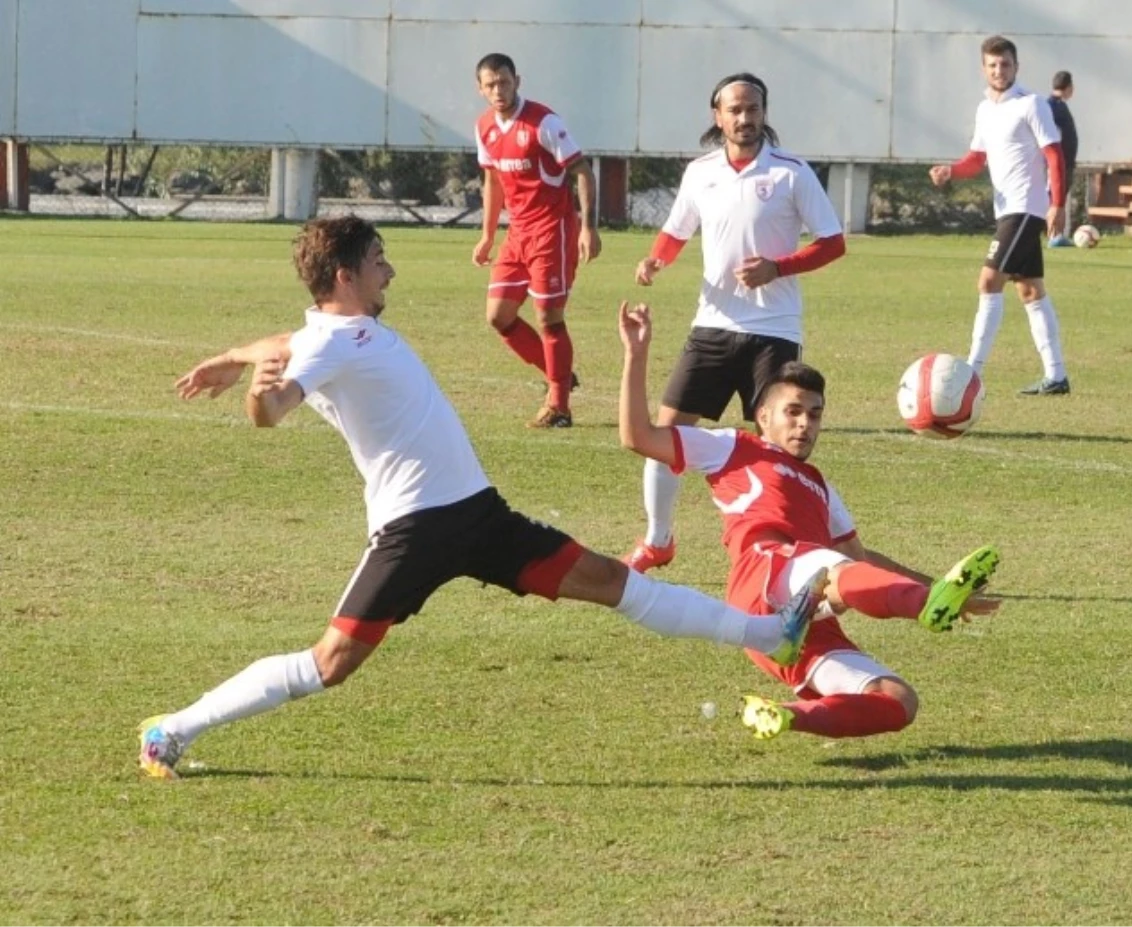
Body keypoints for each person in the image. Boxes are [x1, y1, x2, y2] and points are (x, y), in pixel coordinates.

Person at [137, 217, 819, 779]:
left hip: (477, 513)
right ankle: (172, 728)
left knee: (611, 578)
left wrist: (233, 357)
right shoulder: (325, 344)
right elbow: (278, 401)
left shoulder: (336, 331)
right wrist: (258, 389)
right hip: (416, 530)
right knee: (330, 663)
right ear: (345, 275)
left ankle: (771, 634)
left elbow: (292, 339)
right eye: (378, 260)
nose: (390, 271)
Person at [617, 301, 1001, 742]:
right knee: (829, 570)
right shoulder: (733, 447)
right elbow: (638, 437)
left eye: (814, 414)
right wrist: (636, 354)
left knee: (898, 700)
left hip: (800, 623)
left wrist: (938, 587)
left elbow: (862, 561)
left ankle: (786, 715)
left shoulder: (821, 487)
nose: (804, 424)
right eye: (793, 412)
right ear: (764, 417)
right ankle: (924, 608)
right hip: (763, 575)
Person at [622, 72, 846, 573]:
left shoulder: (792, 172)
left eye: (754, 109)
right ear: (717, 115)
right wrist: (655, 261)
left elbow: (833, 243)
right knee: (666, 431)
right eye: (736, 110)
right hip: (713, 324)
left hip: (775, 328)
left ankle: (787, 546)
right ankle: (658, 540)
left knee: (777, 444)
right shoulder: (700, 172)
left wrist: (778, 267)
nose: (745, 119)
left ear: (765, 113)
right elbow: (676, 230)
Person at [929, 35, 1071, 397]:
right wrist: (951, 171)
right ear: (984, 69)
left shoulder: (1031, 104)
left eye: (1005, 64)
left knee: (988, 280)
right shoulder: (985, 109)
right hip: (1008, 210)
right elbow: (977, 159)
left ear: (1016, 67)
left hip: (1026, 208)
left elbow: (1054, 155)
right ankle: (1056, 375)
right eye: (993, 64)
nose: (999, 70)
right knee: (1030, 290)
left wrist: (1057, 203)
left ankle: (971, 372)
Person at [472, 52, 600, 428]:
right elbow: (493, 181)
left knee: (549, 316)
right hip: (517, 234)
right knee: (499, 316)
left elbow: (582, 171)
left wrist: (589, 227)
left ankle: (559, 405)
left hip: (551, 231)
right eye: (491, 84)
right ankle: (558, 372)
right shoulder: (484, 128)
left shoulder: (544, 122)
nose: (499, 90)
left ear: (518, 81)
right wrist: (486, 236)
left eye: (505, 82)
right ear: (480, 89)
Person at [1046, 71, 1079, 247]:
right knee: (1054, 200)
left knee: (1059, 199)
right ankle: (1054, 236)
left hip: (1065, 162)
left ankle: (1057, 235)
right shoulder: (1052, 106)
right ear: (1069, 87)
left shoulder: (1058, 105)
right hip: (1057, 163)